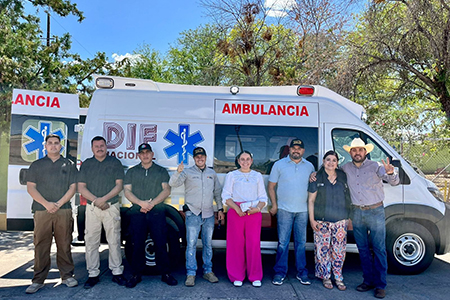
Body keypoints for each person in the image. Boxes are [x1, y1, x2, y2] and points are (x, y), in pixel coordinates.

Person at [341, 138, 399, 299]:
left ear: (365, 152)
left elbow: (394, 182)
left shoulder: (376, 166)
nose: (357, 152)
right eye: (354, 150)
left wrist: (390, 173)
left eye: (360, 150)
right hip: (357, 213)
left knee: (379, 249)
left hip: (375, 211)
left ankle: (380, 285)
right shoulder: (345, 168)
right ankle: (368, 281)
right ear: (350, 152)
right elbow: (330, 171)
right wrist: (313, 175)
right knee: (363, 249)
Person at [25, 134, 78, 294]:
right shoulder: (36, 165)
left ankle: (67, 276)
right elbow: (31, 187)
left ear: (60, 146)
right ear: (45, 146)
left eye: (56, 143)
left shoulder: (69, 164)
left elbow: (73, 187)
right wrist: (47, 204)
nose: (54, 146)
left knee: (64, 243)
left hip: (63, 210)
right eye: (50, 143)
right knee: (41, 245)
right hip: (42, 210)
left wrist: (58, 204)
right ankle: (38, 280)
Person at [123, 143, 178, 288]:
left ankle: (165, 273)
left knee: (160, 243)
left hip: (157, 211)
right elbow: (127, 191)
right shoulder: (132, 172)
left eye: (148, 152)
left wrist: (151, 203)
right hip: (138, 211)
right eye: (142, 153)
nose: (145, 155)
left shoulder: (160, 171)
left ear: (152, 154)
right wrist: (141, 203)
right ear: (138, 155)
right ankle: (136, 274)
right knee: (137, 243)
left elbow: (166, 190)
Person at [169, 147, 224, 287]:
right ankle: (191, 273)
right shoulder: (187, 172)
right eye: (197, 156)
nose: (200, 158)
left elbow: (217, 192)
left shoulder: (212, 173)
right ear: (194, 159)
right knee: (191, 245)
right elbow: (173, 184)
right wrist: (177, 172)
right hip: (193, 213)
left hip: (208, 214)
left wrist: (220, 209)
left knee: (207, 245)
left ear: (206, 157)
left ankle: (208, 271)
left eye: (202, 156)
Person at [78, 136, 126, 289]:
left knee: (114, 240)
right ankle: (93, 274)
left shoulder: (115, 163)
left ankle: (117, 272)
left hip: (111, 206)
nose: (99, 148)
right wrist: (96, 200)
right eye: (96, 146)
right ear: (92, 149)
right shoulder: (87, 164)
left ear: (106, 147)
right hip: (93, 208)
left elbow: (119, 185)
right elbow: (81, 187)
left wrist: (104, 199)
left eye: (102, 145)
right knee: (91, 241)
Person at [268, 138, 314, 286]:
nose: (296, 150)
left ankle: (302, 272)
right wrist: (274, 205)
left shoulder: (309, 166)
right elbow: (271, 186)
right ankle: (280, 272)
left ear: (303, 151)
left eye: (299, 148)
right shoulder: (279, 164)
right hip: (284, 210)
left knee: (301, 243)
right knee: (283, 243)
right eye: (293, 148)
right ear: (289, 149)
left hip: (303, 211)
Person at [221, 150, 267, 287]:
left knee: (253, 244)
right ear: (238, 161)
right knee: (236, 244)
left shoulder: (257, 176)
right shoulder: (232, 175)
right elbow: (226, 197)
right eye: (242, 159)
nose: (245, 162)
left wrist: (257, 209)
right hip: (236, 212)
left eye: (248, 159)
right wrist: (236, 208)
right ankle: (237, 276)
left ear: (251, 161)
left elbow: (263, 198)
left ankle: (255, 276)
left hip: (253, 212)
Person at [307, 150, 351, 291]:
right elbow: (311, 200)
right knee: (322, 250)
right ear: (323, 161)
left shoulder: (343, 176)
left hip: (340, 220)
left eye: (334, 160)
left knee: (338, 251)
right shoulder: (316, 177)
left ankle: (338, 277)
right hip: (322, 221)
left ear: (337, 163)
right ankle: (325, 276)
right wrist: (312, 220)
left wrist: (348, 217)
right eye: (328, 160)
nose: (331, 163)